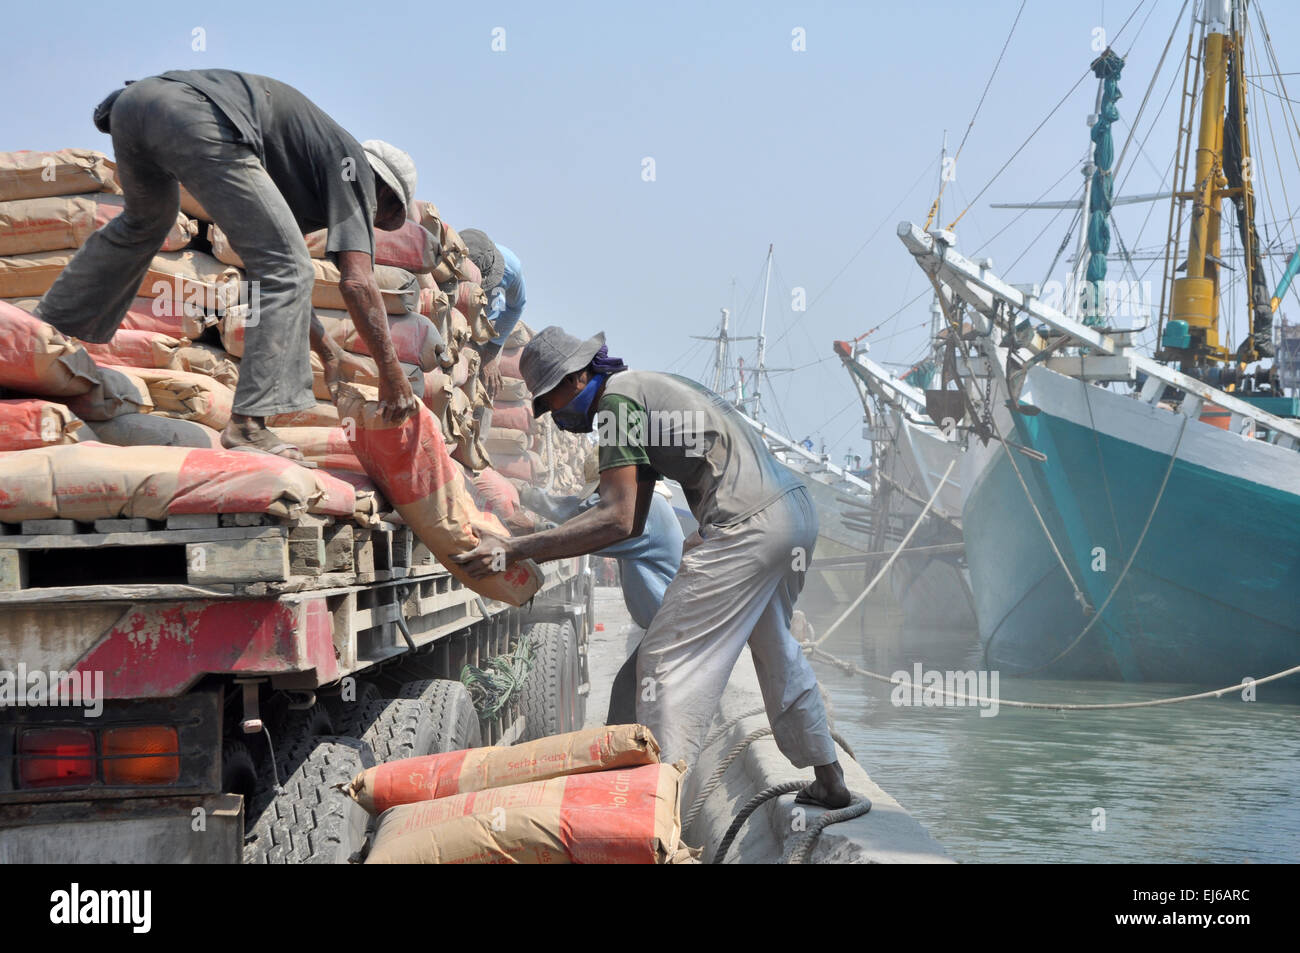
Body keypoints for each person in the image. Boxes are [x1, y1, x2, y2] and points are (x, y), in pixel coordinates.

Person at [454, 326, 851, 807]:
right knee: (775, 649)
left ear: (579, 379)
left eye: (551, 401)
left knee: (665, 665)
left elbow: (616, 520)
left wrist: (516, 549)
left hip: (748, 525)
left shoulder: (616, 404)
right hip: (792, 514)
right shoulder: (643, 390)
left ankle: (651, 815)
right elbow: (630, 517)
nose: (553, 416)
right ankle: (830, 780)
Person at [35, 69, 420, 461]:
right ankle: (249, 425)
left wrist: (330, 354)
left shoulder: (300, 172)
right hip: (195, 113)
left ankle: (38, 343)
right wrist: (393, 377)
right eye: (381, 214)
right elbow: (356, 283)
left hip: (136, 106)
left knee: (144, 224)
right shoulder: (352, 168)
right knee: (292, 268)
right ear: (384, 192)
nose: (369, 221)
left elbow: (269, 275)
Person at [521, 473, 683, 724]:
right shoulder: (644, 504)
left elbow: (587, 532)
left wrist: (531, 532)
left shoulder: (647, 509)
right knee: (631, 699)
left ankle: (645, 757)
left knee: (636, 705)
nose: (599, 503)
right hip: (667, 630)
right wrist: (526, 495)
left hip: (672, 633)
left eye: (601, 495)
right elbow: (580, 511)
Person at [459, 228, 525, 398]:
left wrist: (491, 353)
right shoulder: (447, 261)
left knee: (486, 385)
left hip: (489, 326)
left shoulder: (511, 268)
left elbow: (515, 307)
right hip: (457, 318)